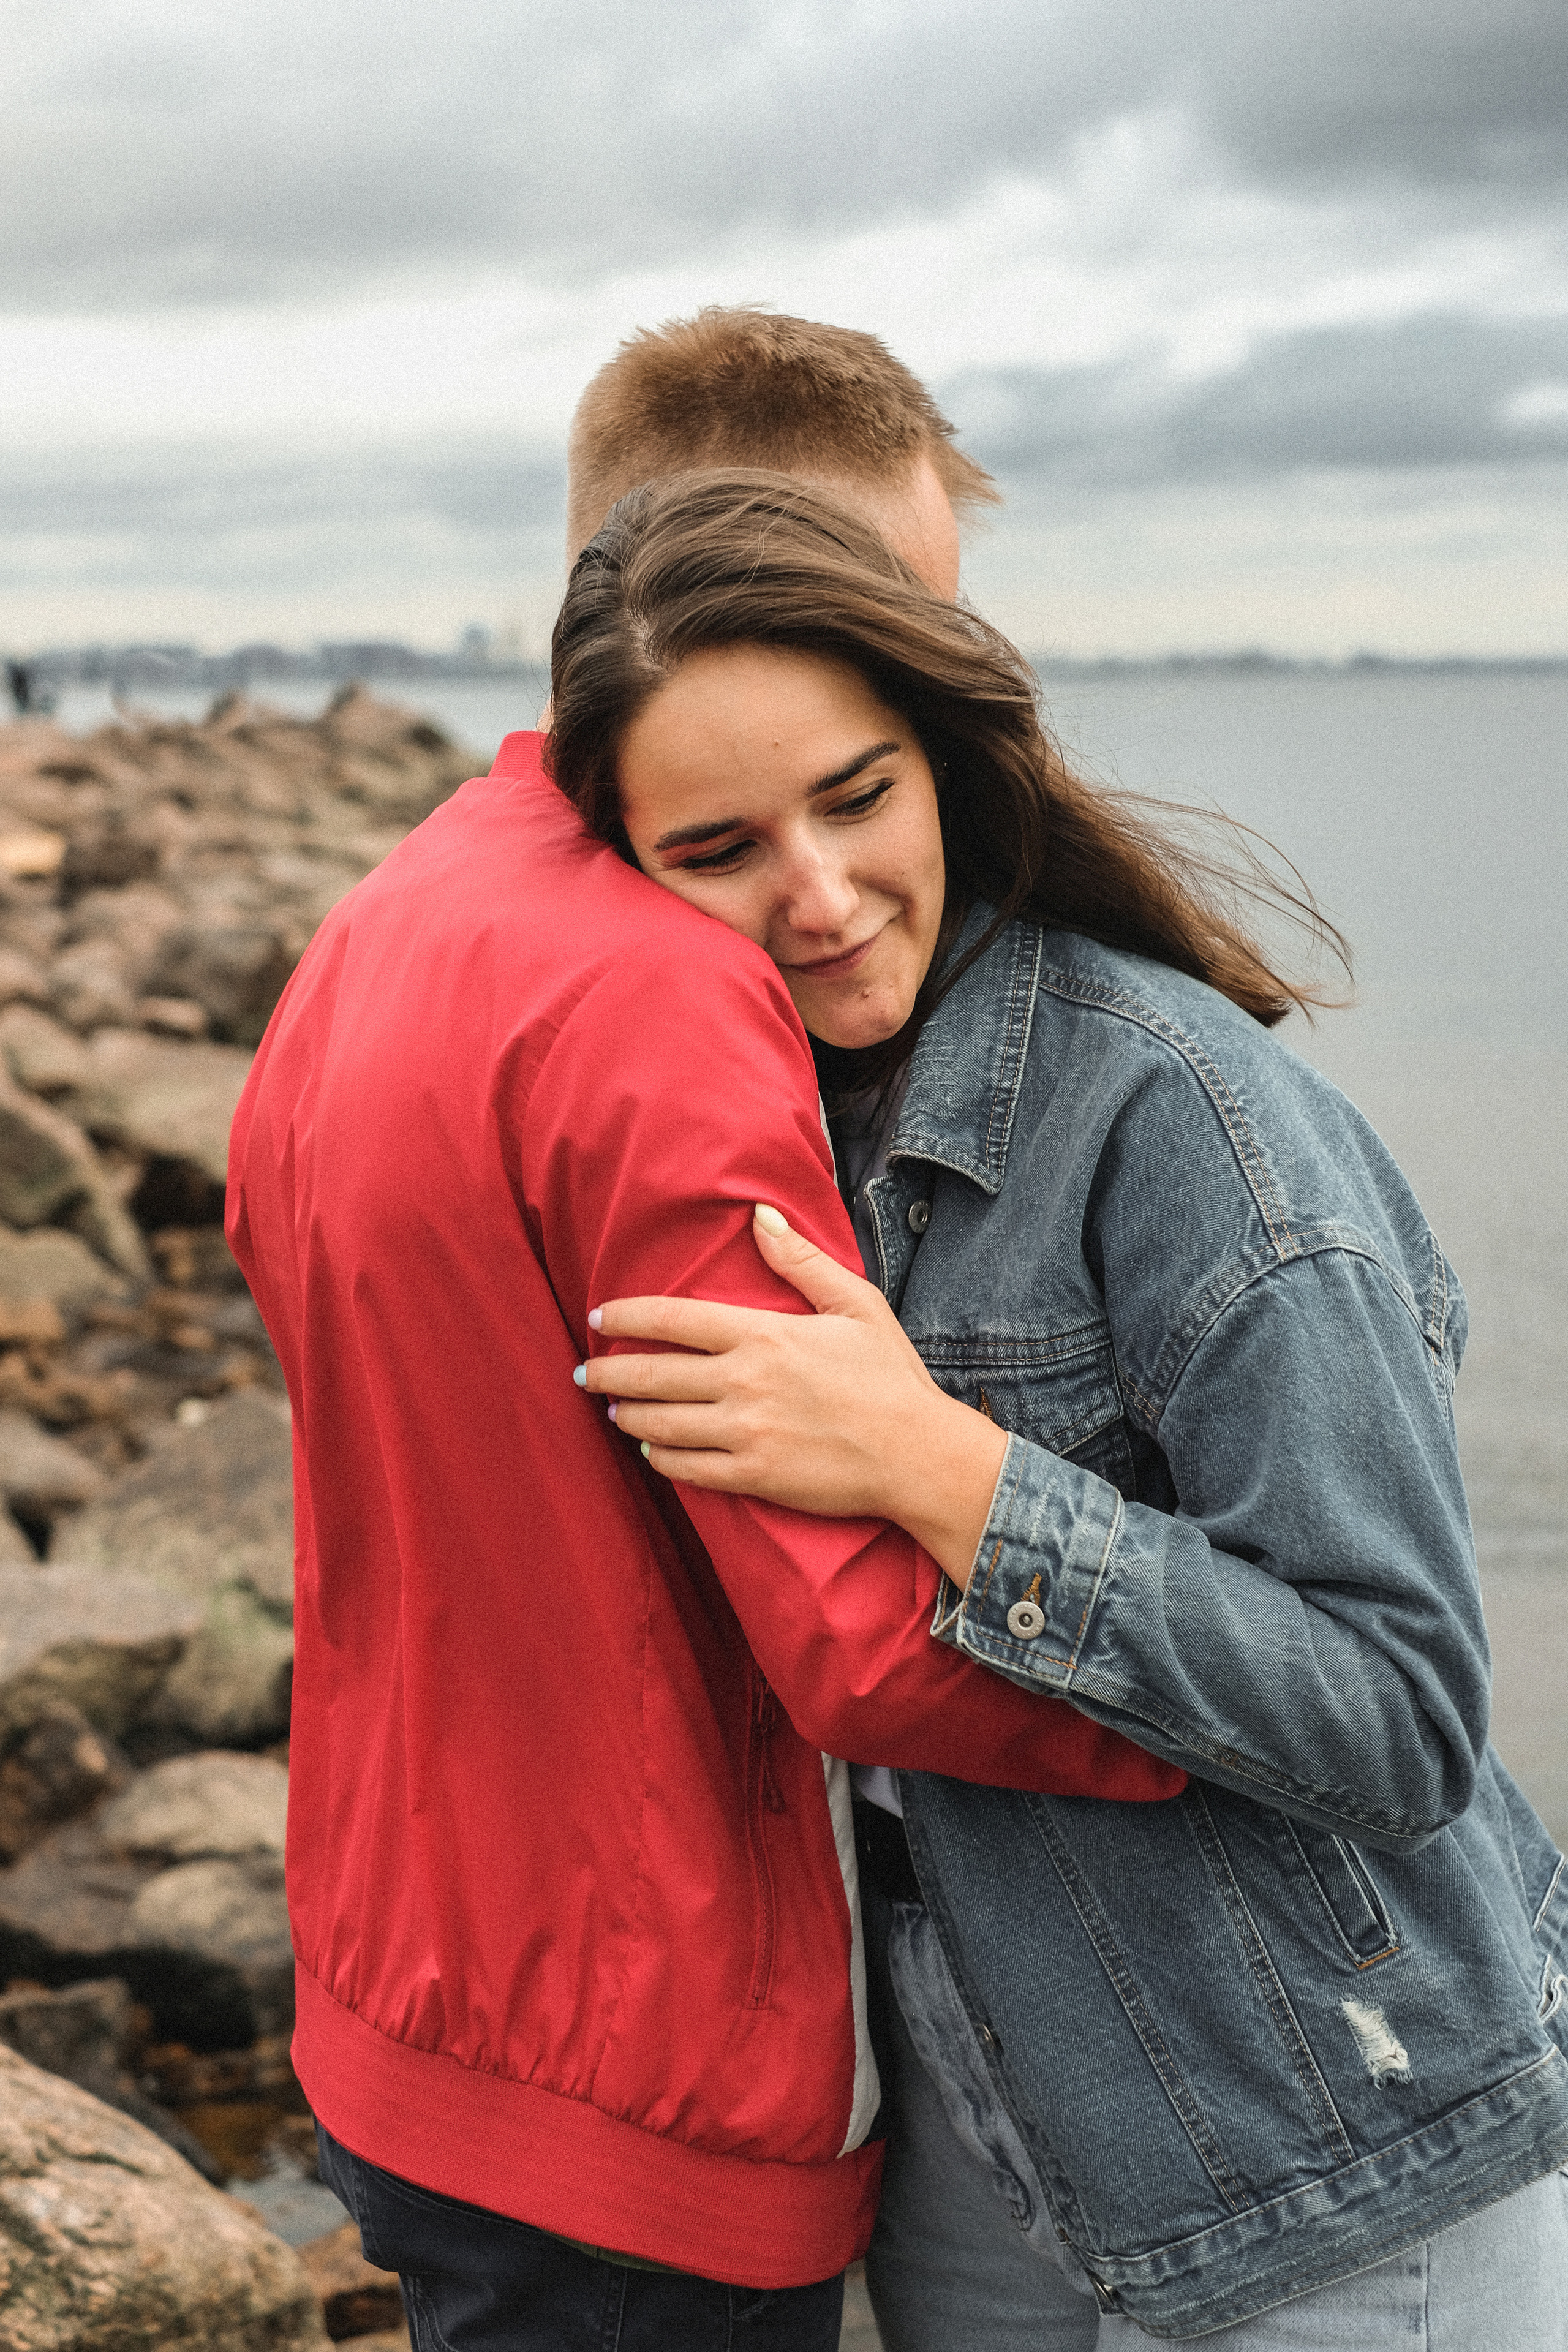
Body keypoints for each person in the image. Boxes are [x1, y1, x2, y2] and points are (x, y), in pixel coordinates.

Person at [226, 318, 1183, 2352]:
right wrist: (1264, 1713)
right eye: (904, 622)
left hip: (414, 1996)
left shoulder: (387, 921)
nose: (944, 686)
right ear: (731, 579)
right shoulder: (662, 989)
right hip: (637, 2064)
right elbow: (854, 1640)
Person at [552, 470, 1568, 2346]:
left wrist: (944, 1469)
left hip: (1330, 2144)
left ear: (945, 758)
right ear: (623, 871)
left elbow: (1402, 1715)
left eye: (857, 797)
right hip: (975, 2133)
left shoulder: (1186, 1120)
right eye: (719, 849)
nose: (819, 896)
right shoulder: (749, 1117)